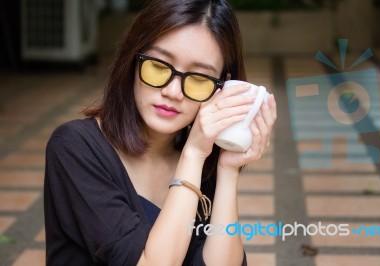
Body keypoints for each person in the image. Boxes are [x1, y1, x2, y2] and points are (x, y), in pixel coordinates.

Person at [44, 0, 277, 265]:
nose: (172, 92)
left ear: (221, 87)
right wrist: (194, 154)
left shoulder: (200, 158)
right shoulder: (74, 148)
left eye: (199, 79)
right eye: (158, 66)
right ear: (132, 60)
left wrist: (227, 170)